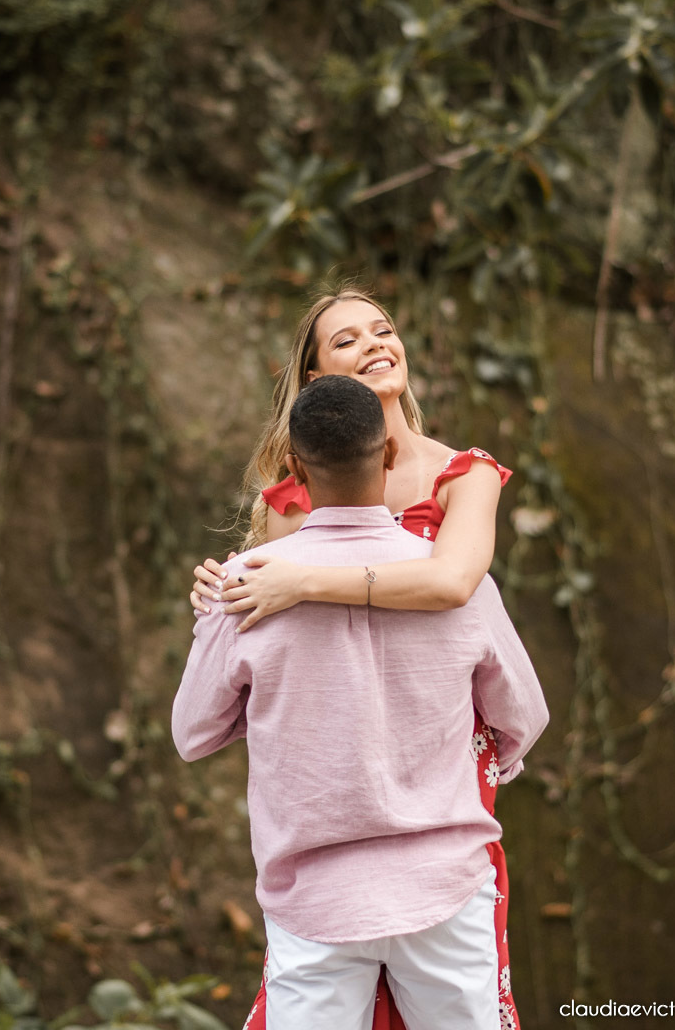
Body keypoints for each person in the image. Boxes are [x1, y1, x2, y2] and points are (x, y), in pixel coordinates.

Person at [190, 284, 527, 1029]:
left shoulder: (464, 474)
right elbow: (270, 633)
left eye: (382, 329)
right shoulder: (287, 500)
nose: (374, 343)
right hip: (334, 762)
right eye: (346, 340)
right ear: (316, 380)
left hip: (437, 751)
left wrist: (304, 581)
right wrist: (219, 593)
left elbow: (451, 582)